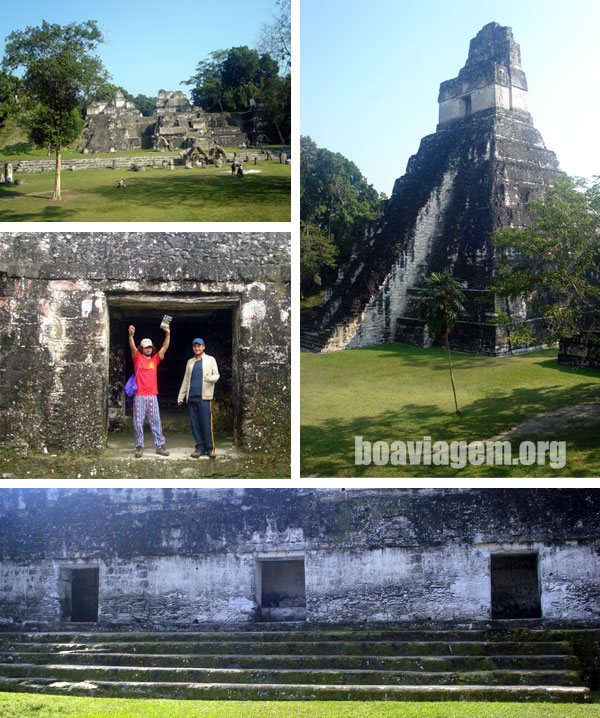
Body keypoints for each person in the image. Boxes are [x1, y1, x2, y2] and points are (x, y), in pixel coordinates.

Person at [128, 324, 170, 458]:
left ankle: (160, 446)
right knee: (138, 423)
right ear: (142, 348)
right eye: (146, 347)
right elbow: (132, 347)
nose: (148, 349)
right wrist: (131, 336)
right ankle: (139, 446)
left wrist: (167, 334)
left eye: (150, 347)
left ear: (152, 348)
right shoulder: (137, 358)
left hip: (152, 396)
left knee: (156, 421)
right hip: (139, 396)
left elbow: (165, 347)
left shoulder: (155, 359)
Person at [177, 338, 220, 458]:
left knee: (206, 423)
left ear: (203, 347)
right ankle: (199, 448)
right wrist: (181, 396)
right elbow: (186, 380)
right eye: (195, 346)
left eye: (199, 346)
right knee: (195, 424)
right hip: (191, 398)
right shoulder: (190, 362)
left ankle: (210, 449)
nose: (197, 348)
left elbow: (216, 375)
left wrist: (208, 378)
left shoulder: (210, 359)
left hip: (205, 397)